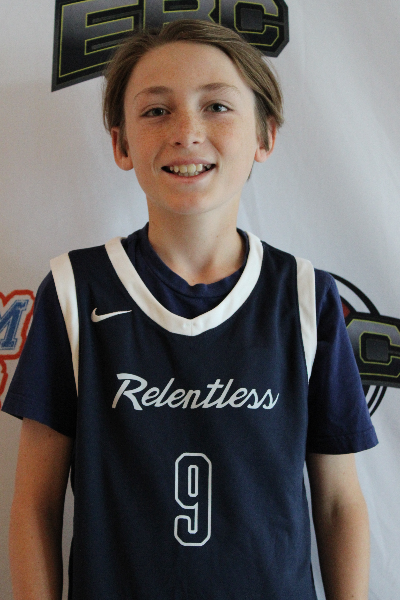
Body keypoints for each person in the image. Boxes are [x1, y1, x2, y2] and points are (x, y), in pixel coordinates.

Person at [3, 19, 377, 600]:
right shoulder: (75, 290)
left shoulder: (306, 296)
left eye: (217, 107)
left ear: (265, 135)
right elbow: (34, 504)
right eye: (156, 111)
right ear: (121, 144)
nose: (187, 132)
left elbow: (337, 503)